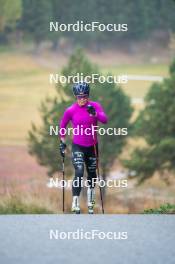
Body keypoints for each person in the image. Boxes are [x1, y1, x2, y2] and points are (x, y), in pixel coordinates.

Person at [59, 82, 108, 214]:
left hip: (92, 146)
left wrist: (95, 114)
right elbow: (62, 126)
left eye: (85, 96)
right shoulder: (70, 110)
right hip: (78, 146)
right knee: (79, 172)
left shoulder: (95, 106)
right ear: (75, 96)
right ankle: (75, 202)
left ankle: (90, 200)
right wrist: (62, 142)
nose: (82, 99)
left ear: (88, 95)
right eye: (79, 97)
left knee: (92, 174)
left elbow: (105, 120)